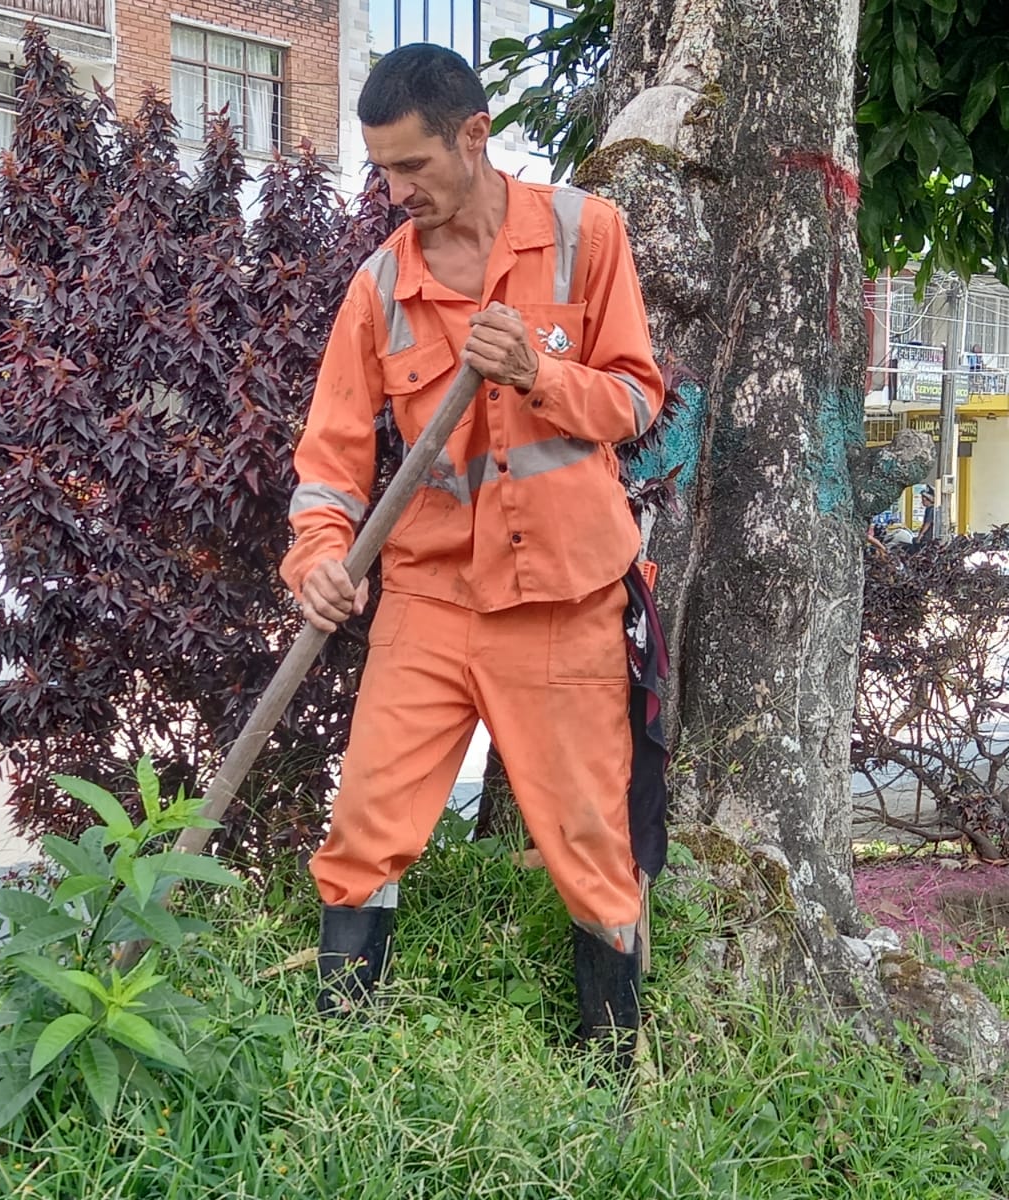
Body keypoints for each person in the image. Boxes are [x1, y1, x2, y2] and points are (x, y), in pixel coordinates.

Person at [282, 45, 664, 1065]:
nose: (394, 192)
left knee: (588, 842)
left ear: (473, 135)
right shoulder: (379, 288)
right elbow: (329, 458)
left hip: (562, 597)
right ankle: (343, 1064)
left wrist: (539, 372)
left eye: (411, 167)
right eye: (380, 171)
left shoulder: (588, 234)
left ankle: (613, 1076)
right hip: (427, 598)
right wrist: (320, 555)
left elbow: (634, 400)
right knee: (365, 827)